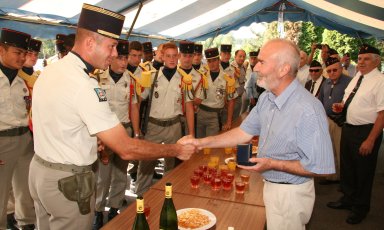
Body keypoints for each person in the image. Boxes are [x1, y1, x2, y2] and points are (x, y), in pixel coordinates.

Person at [29, 4, 196, 230]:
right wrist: (176, 150)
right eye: (112, 46)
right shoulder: (84, 85)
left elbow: (61, 123)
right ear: (90, 43)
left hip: (40, 173)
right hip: (68, 184)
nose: (116, 53)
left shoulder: (52, 71)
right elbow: (126, 149)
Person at [179, 39, 335, 230]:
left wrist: (272, 163)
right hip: (270, 184)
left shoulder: (308, 108)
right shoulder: (267, 98)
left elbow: (321, 166)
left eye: (262, 62)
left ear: (283, 69)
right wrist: (200, 142)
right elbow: (243, 133)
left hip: (290, 194)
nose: (256, 67)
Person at [327, 44, 384, 225]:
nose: (361, 62)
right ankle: (348, 199)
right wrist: (341, 107)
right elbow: (349, 100)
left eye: (366, 58)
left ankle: (360, 208)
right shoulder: (357, 77)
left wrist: (370, 139)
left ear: (377, 61)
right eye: (359, 59)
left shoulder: (380, 81)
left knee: (363, 171)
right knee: (348, 167)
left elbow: (382, 114)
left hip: (366, 131)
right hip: (349, 128)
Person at [135, 42, 195, 196]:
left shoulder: (184, 79)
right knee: (146, 163)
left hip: (174, 126)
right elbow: (138, 101)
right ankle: (141, 197)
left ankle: (168, 197)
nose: (172, 59)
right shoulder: (151, 76)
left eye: (175, 56)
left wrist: (191, 133)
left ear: (179, 57)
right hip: (153, 126)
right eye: (168, 56)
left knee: (172, 165)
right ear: (162, 56)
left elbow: (189, 106)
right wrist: (137, 130)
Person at [93, 39, 138, 229]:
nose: (123, 62)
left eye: (125, 58)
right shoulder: (96, 78)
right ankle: (98, 211)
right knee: (102, 176)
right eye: (120, 57)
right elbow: (94, 109)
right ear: (111, 58)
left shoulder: (131, 80)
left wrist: (136, 132)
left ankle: (114, 207)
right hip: (104, 132)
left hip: (124, 129)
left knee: (121, 173)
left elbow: (134, 106)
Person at [0, 28, 36, 230]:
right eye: (17, 52)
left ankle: (27, 224)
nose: (22, 57)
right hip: (2, 142)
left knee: (26, 191)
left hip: (25, 139)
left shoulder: (26, 79)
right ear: (1, 50)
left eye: (25, 53)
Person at [318, 57, 351, 185]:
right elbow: (320, 100)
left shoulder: (349, 82)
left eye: (335, 70)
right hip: (327, 120)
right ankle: (331, 176)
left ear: (341, 69)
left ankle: (344, 180)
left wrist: (343, 108)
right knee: (329, 149)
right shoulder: (325, 83)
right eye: (329, 71)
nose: (332, 73)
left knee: (340, 150)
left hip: (340, 122)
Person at [195, 47, 237, 138]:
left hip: (215, 116)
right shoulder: (202, 76)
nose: (212, 63)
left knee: (211, 145)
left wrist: (229, 121)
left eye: (214, 60)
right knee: (199, 143)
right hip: (200, 114)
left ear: (219, 60)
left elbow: (231, 100)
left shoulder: (227, 78)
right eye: (209, 61)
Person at [231, 49, 247, 117]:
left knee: (236, 119)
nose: (242, 58)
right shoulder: (230, 67)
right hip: (231, 99)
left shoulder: (244, 67)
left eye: (244, 56)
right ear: (235, 57)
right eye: (240, 56)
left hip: (240, 97)